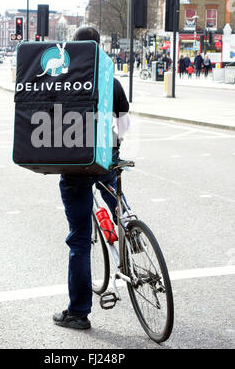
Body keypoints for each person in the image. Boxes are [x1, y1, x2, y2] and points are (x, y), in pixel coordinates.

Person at [54, 27, 130, 331]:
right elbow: (123, 125)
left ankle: (78, 313)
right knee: (116, 202)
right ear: (99, 47)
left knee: (80, 239)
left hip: (76, 166)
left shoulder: (63, 80)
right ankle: (130, 237)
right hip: (105, 160)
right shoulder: (111, 81)